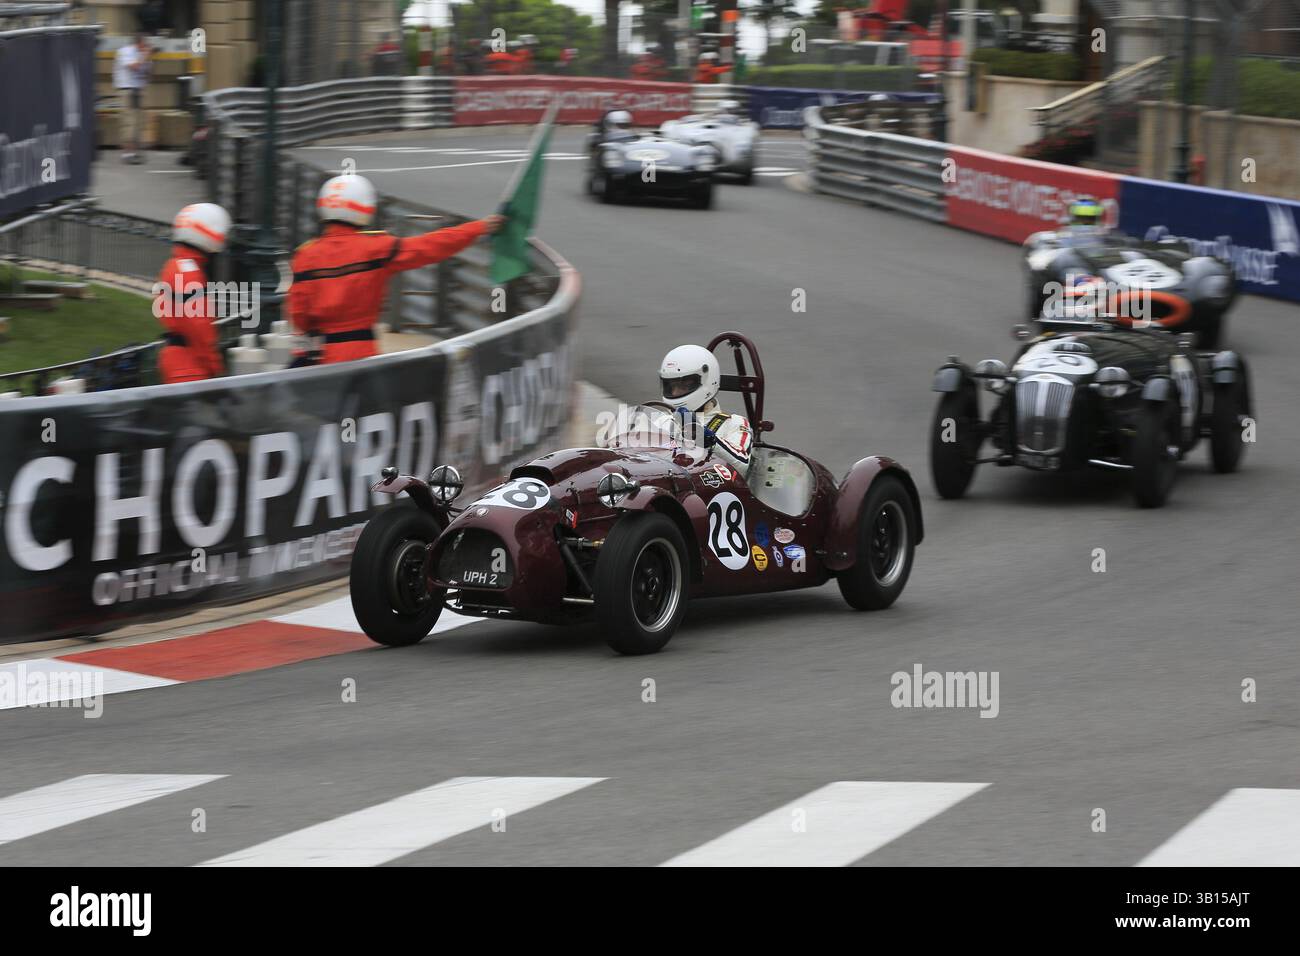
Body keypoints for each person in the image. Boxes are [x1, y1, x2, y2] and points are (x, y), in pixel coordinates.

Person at [289, 174, 505, 365]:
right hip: (361, 354)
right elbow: (432, 245)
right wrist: (479, 227)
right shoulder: (377, 248)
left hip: (320, 357)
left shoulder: (305, 255)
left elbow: (299, 316)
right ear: (364, 208)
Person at [156, 203, 231, 384]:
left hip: (177, 360)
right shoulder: (189, 273)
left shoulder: (174, 265)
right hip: (191, 365)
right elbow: (199, 327)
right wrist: (216, 368)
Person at [659, 344, 753, 478]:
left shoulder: (733, 423)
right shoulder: (662, 421)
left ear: (707, 382)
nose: (675, 392)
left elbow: (742, 463)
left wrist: (707, 439)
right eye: (671, 386)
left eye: (683, 385)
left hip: (708, 490)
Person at [114, 33, 153, 164]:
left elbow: (148, 74)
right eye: (144, 46)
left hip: (139, 90)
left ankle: (135, 152)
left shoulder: (143, 55)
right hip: (127, 89)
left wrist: (148, 60)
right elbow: (134, 67)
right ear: (138, 44)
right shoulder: (125, 52)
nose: (145, 48)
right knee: (128, 122)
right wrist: (144, 56)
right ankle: (126, 153)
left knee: (139, 122)